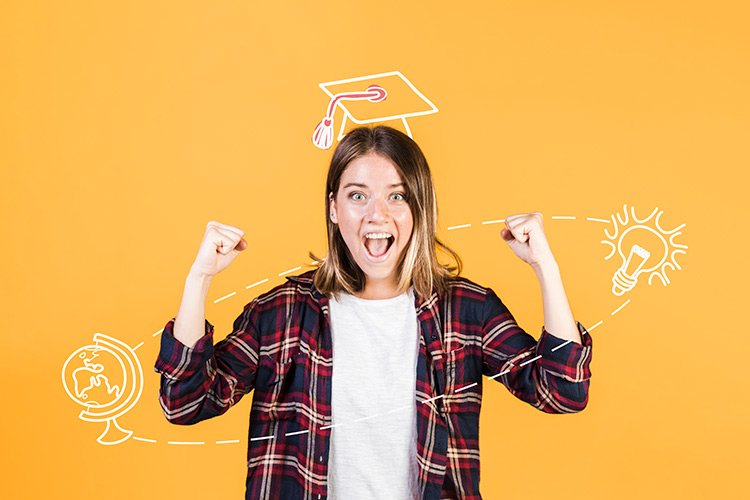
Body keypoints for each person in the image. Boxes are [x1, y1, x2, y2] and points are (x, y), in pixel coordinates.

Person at [154, 125, 593, 500]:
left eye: (397, 196)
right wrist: (199, 279)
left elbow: (562, 391)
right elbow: (185, 402)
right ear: (333, 208)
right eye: (357, 195)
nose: (376, 214)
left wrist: (545, 268)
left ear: (419, 207)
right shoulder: (282, 312)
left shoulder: (466, 310)